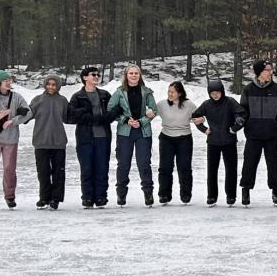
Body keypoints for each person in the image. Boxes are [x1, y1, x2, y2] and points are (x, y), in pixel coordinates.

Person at [107, 65, 158, 207]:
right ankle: (121, 193)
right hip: (125, 132)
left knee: (144, 163)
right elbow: (110, 110)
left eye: (136, 73)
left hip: (143, 132)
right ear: (126, 75)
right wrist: (125, 120)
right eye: (131, 73)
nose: (134, 75)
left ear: (140, 75)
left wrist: (142, 122)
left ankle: (148, 193)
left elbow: (154, 110)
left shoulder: (146, 92)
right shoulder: (119, 92)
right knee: (123, 163)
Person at [239, 59, 277, 206]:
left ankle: (276, 192)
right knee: (249, 165)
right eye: (268, 70)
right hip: (253, 136)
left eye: (271, 70)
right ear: (260, 72)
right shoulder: (248, 90)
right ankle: (246, 191)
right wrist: (239, 121)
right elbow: (242, 111)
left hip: (270, 135)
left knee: (274, 166)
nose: (271, 72)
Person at [66, 67, 116, 208]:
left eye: (97, 75)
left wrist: (105, 118)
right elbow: (72, 115)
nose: (96, 77)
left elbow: (114, 111)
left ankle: (101, 197)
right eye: (93, 75)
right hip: (85, 137)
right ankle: (87, 197)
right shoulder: (77, 96)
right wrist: (91, 117)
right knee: (87, 168)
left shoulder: (105, 95)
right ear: (85, 78)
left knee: (102, 167)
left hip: (103, 136)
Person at [0, 70, 32, 209]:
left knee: (10, 168)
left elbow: (29, 113)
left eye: (10, 80)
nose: (9, 82)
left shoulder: (16, 97)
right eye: (6, 80)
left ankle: (10, 196)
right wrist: (2, 115)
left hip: (11, 139)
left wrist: (13, 121)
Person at [192, 79, 247, 207]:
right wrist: (204, 129)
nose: (215, 95)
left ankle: (231, 196)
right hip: (213, 142)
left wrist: (235, 127)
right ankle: (211, 196)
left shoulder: (230, 102)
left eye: (217, 92)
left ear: (222, 91)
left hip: (229, 141)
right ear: (209, 93)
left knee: (231, 170)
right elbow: (195, 117)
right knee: (212, 171)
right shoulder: (206, 105)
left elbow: (241, 115)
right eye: (212, 93)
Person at [28, 75, 69, 210]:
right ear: (45, 85)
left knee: (58, 172)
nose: (51, 87)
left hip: (58, 142)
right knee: (43, 172)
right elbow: (27, 115)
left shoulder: (62, 101)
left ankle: (55, 198)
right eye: (48, 84)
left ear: (58, 86)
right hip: (41, 141)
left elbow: (68, 116)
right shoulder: (37, 100)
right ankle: (44, 197)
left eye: (54, 84)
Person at [156, 81, 197, 205]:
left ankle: (185, 194)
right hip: (166, 138)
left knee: (184, 167)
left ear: (179, 93)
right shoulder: (162, 104)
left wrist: (201, 120)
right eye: (169, 91)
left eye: (172, 92)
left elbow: (198, 117)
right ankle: (164, 195)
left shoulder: (189, 105)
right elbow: (151, 114)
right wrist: (148, 114)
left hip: (184, 138)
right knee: (165, 167)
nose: (170, 94)